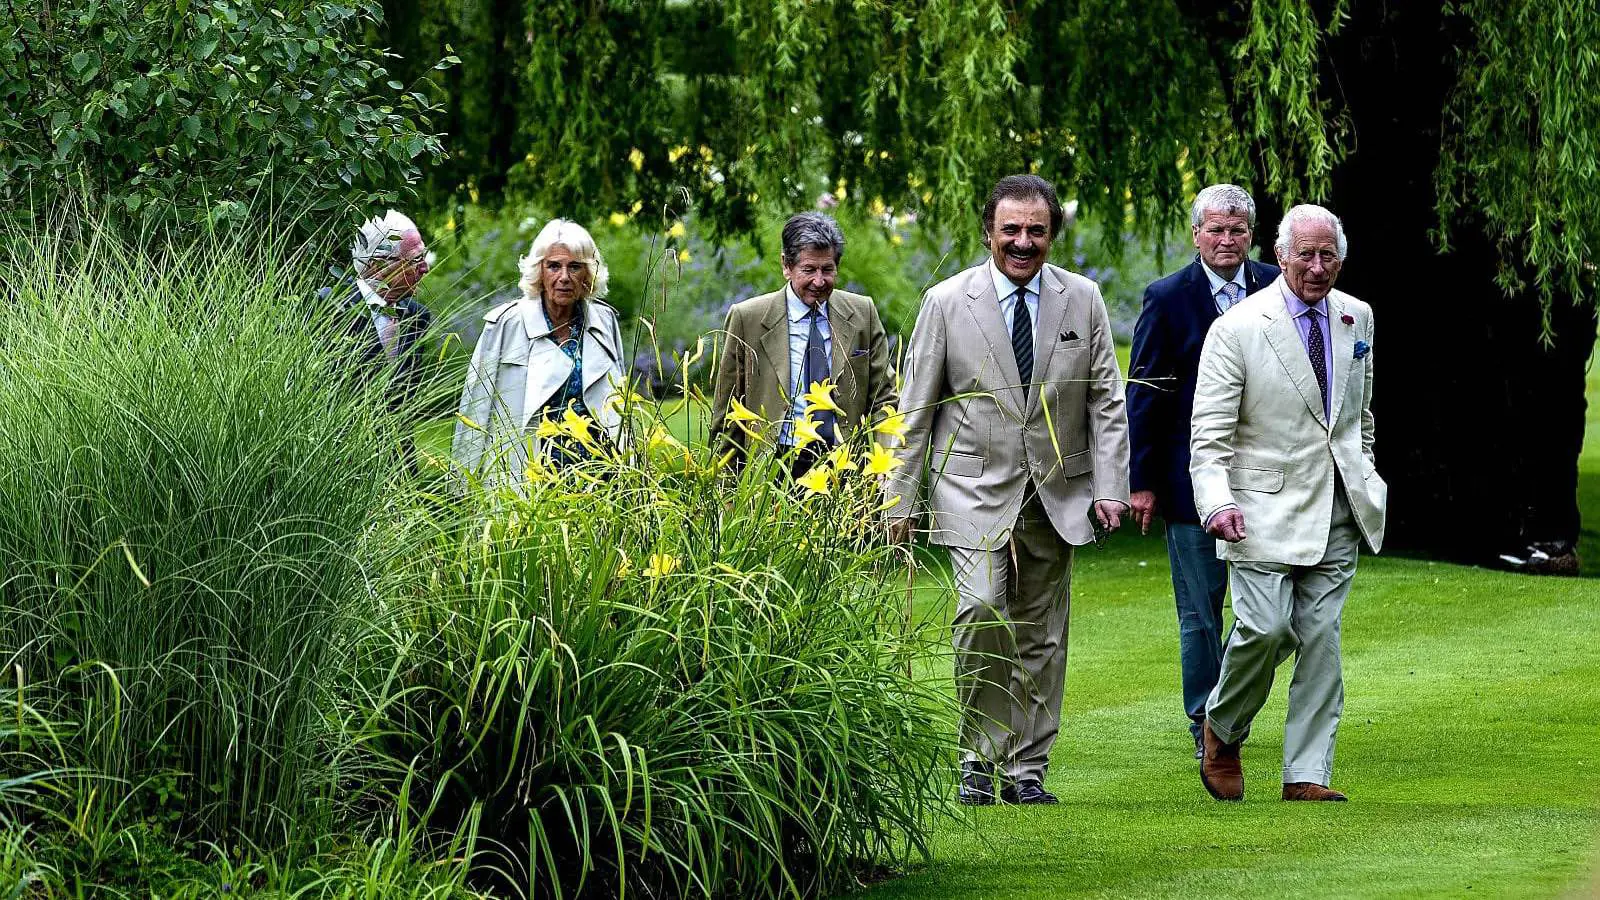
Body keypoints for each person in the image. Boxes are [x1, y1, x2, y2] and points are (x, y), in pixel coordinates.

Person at [885, 175, 1130, 806]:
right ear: (988, 232)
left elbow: (1105, 401)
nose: (1023, 243)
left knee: (1042, 628)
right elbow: (916, 409)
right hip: (971, 485)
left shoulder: (1084, 300)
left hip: (1056, 486)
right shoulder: (945, 302)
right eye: (1011, 230)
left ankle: (1027, 768)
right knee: (980, 607)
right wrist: (897, 499)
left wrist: (1111, 486)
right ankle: (979, 754)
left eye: (1036, 231)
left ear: (1052, 235)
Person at [1190, 203, 1387, 803]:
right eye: (1306, 253)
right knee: (1267, 629)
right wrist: (1215, 502)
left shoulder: (1359, 318)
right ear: (1279, 256)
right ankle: (1222, 729)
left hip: (1338, 508)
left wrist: (1365, 472)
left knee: (1322, 639)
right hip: (1259, 508)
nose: (1318, 266)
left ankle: (1307, 774)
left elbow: (1361, 415)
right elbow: (1209, 436)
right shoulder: (1239, 328)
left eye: (1329, 254)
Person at [1127, 184, 1281, 759]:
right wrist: (1141, 482)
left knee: (1273, 611)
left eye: (1237, 229)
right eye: (1215, 230)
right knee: (1200, 611)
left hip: (1268, 475)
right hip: (1188, 478)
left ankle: (1233, 707)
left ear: (1252, 235)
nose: (1226, 240)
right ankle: (1205, 723)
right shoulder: (1168, 298)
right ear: (1196, 235)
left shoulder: (1277, 286)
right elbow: (1143, 393)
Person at [709, 212, 898, 476]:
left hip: (844, 467)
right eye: (809, 270)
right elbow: (727, 411)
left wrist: (883, 470)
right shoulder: (747, 318)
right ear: (786, 265)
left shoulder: (862, 313)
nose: (819, 281)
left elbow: (884, 400)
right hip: (773, 467)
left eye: (827, 270)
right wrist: (725, 490)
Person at [452, 218, 625, 484]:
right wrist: (463, 484)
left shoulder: (605, 320)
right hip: (528, 473)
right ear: (540, 272)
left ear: (588, 275)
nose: (564, 277)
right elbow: (476, 408)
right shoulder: (505, 324)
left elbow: (619, 400)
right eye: (554, 266)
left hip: (599, 473)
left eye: (575, 267)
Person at [336, 210, 436, 412]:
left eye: (423, 257)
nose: (425, 268)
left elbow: (405, 405)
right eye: (415, 259)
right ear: (378, 264)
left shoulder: (418, 316)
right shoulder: (333, 307)